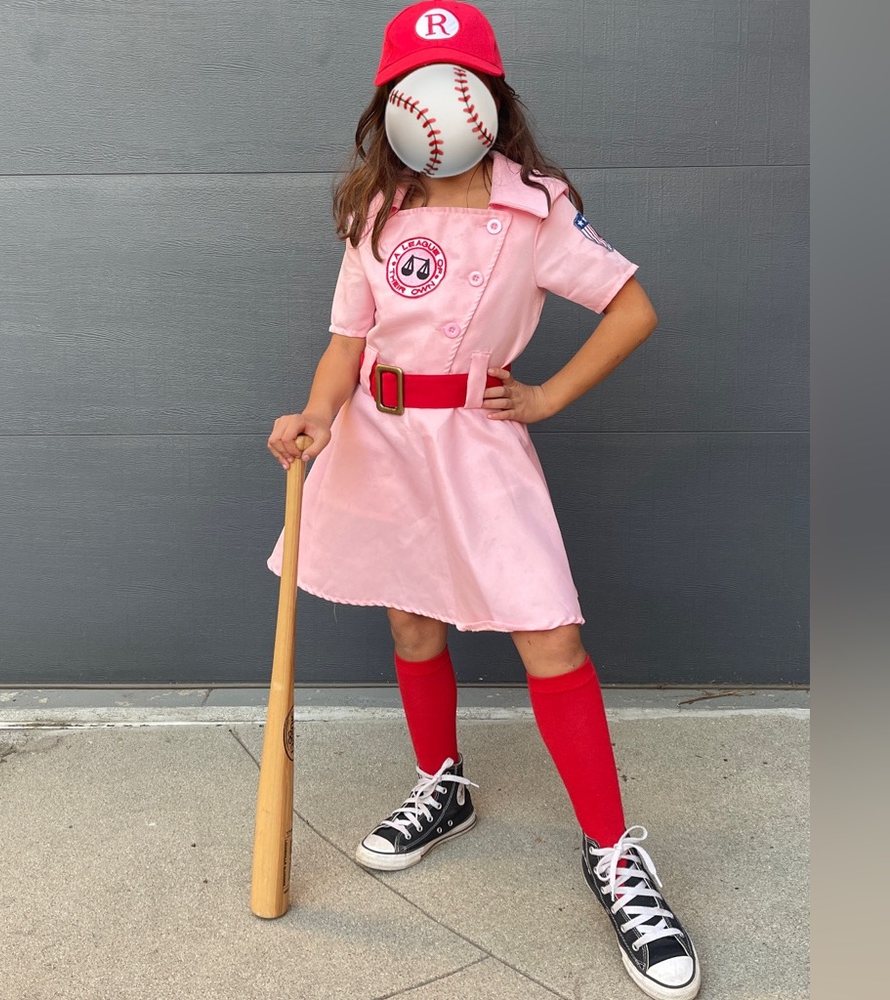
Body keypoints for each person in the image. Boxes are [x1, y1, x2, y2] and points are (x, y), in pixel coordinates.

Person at [266, 3, 700, 998]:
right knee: (412, 624)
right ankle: (441, 783)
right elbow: (349, 336)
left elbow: (631, 305)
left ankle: (613, 853)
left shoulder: (535, 206)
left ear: (490, 99)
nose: (437, 101)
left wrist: (544, 394)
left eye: (457, 79)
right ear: (390, 105)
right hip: (379, 438)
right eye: (414, 85)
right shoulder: (376, 209)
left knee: (548, 634)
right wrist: (317, 414)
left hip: (475, 441)